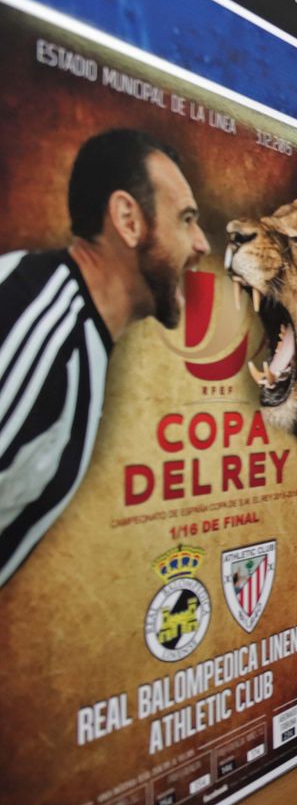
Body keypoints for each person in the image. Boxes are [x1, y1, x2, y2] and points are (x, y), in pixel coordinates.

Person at [0, 129, 210, 587]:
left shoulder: (75, 333)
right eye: (186, 219)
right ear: (128, 220)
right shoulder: (42, 328)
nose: (201, 244)